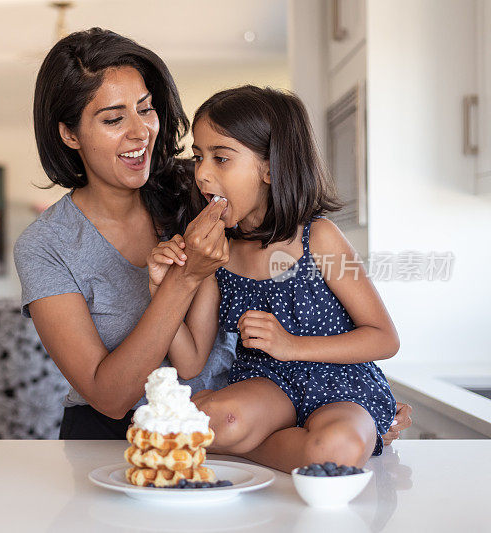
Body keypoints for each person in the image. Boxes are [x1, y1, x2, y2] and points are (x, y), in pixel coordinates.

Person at [13, 28, 411, 454]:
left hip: (241, 425)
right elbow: (110, 398)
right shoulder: (45, 246)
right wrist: (181, 281)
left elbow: (343, 311)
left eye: (145, 109)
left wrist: (352, 408)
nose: (140, 132)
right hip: (118, 439)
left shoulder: (199, 195)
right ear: (69, 135)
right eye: (113, 119)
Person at [149, 85, 398, 472]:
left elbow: (384, 338)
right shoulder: (220, 252)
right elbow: (191, 362)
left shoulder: (320, 238)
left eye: (221, 158)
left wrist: (290, 345)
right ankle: (250, 444)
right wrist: (161, 287)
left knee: (338, 448)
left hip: (340, 385)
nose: (202, 174)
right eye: (199, 158)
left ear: (269, 166)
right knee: (207, 419)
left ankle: (237, 448)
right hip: (266, 383)